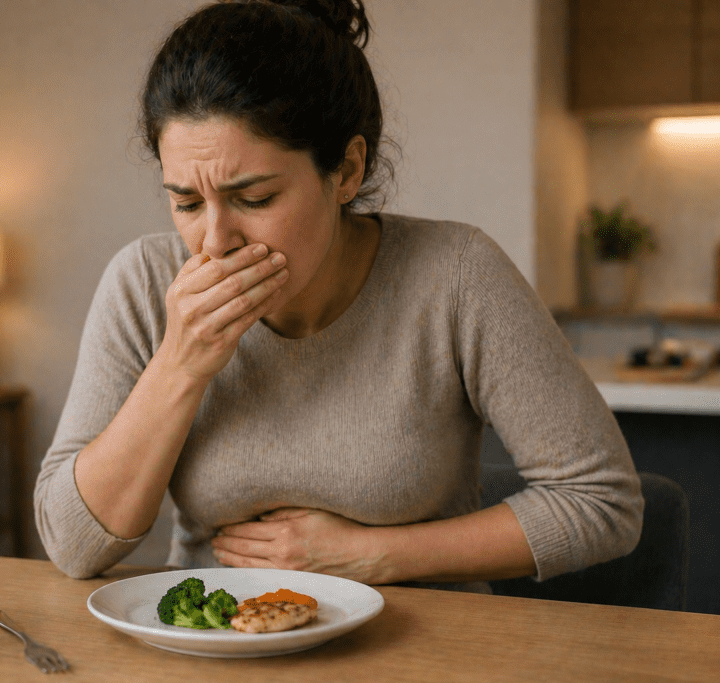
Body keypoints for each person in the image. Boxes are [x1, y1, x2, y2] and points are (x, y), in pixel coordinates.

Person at [35, 0, 643, 592]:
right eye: (187, 204)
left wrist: (371, 556)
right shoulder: (143, 281)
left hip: (423, 647)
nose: (214, 244)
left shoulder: (457, 276)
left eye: (256, 199)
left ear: (347, 171)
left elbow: (602, 504)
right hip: (215, 646)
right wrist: (179, 366)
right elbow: (72, 547)